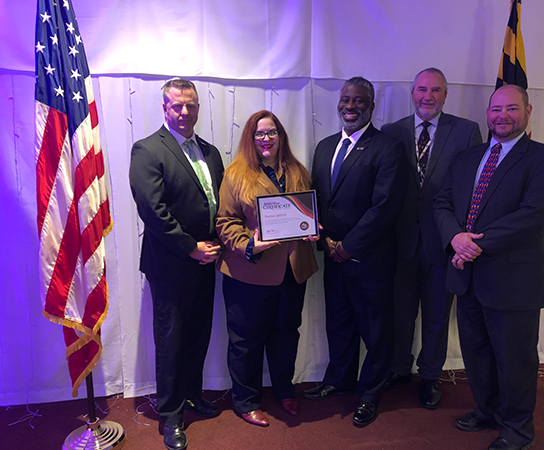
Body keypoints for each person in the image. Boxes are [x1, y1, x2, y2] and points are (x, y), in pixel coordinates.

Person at [434, 85, 544, 450]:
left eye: (511, 109)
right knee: (476, 351)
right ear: (487, 113)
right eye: (496, 109)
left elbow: (532, 216)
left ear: (528, 111)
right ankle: (487, 410)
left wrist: (473, 243)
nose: (502, 116)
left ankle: (517, 428)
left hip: (512, 279)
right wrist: (455, 239)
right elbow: (442, 203)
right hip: (466, 275)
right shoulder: (467, 158)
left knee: (515, 359)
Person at [303, 77, 407, 427]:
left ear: (371, 106)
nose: (350, 105)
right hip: (333, 257)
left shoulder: (388, 148)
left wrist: (348, 247)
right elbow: (316, 200)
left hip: (369, 259)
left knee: (376, 330)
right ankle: (339, 380)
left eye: (359, 100)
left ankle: (370, 394)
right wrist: (324, 240)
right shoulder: (324, 146)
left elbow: (384, 207)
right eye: (346, 99)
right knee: (340, 323)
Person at [129, 78, 224, 450]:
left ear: (198, 107)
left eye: (191, 105)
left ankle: (192, 395)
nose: (185, 112)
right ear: (164, 108)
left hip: (206, 260)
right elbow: (153, 211)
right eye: (177, 106)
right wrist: (190, 248)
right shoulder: (148, 150)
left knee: (199, 332)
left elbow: (216, 202)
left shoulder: (210, 151)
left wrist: (215, 245)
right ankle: (170, 416)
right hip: (171, 264)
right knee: (170, 339)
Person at [381, 67, 482, 409]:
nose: (428, 96)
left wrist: (461, 237)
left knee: (437, 316)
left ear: (446, 95)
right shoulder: (391, 132)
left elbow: (473, 190)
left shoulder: (467, 131)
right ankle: (398, 369)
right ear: (412, 93)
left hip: (443, 242)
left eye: (436, 90)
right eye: (422, 89)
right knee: (400, 312)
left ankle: (429, 376)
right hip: (401, 241)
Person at [216, 110, 318, 427]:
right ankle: (246, 400)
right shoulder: (236, 174)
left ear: (281, 136)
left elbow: (304, 212)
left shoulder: (298, 171)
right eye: (259, 134)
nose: (266, 139)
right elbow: (225, 223)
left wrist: (311, 228)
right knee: (246, 340)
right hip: (250, 273)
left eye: (271, 132)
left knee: (286, 333)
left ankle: (284, 388)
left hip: (292, 272)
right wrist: (249, 244)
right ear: (250, 138)